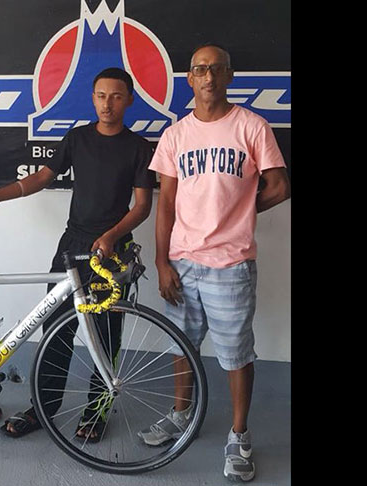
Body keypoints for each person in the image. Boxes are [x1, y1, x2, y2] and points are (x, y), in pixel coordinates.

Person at [0, 67, 157, 441]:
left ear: (129, 100)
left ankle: (97, 411)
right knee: (55, 330)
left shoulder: (139, 147)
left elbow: (141, 207)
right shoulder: (77, 138)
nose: (108, 103)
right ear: (93, 98)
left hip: (113, 254)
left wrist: (110, 236)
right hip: (72, 247)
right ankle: (43, 408)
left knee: (106, 336)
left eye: (117, 96)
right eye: (101, 95)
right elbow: (41, 177)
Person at [142, 43, 290, 482]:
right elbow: (165, 202)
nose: (208, 77)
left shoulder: (252, 126)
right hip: (183, 262)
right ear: (189, 78)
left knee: (235, 354)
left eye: (217, 69)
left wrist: (242, 212)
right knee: (181, 346)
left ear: (229, 76)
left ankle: (239, 435)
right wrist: (162, 260)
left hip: (231, 264)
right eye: (200, 69)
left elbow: (279, 186)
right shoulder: (176, 135)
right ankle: (179, 415)